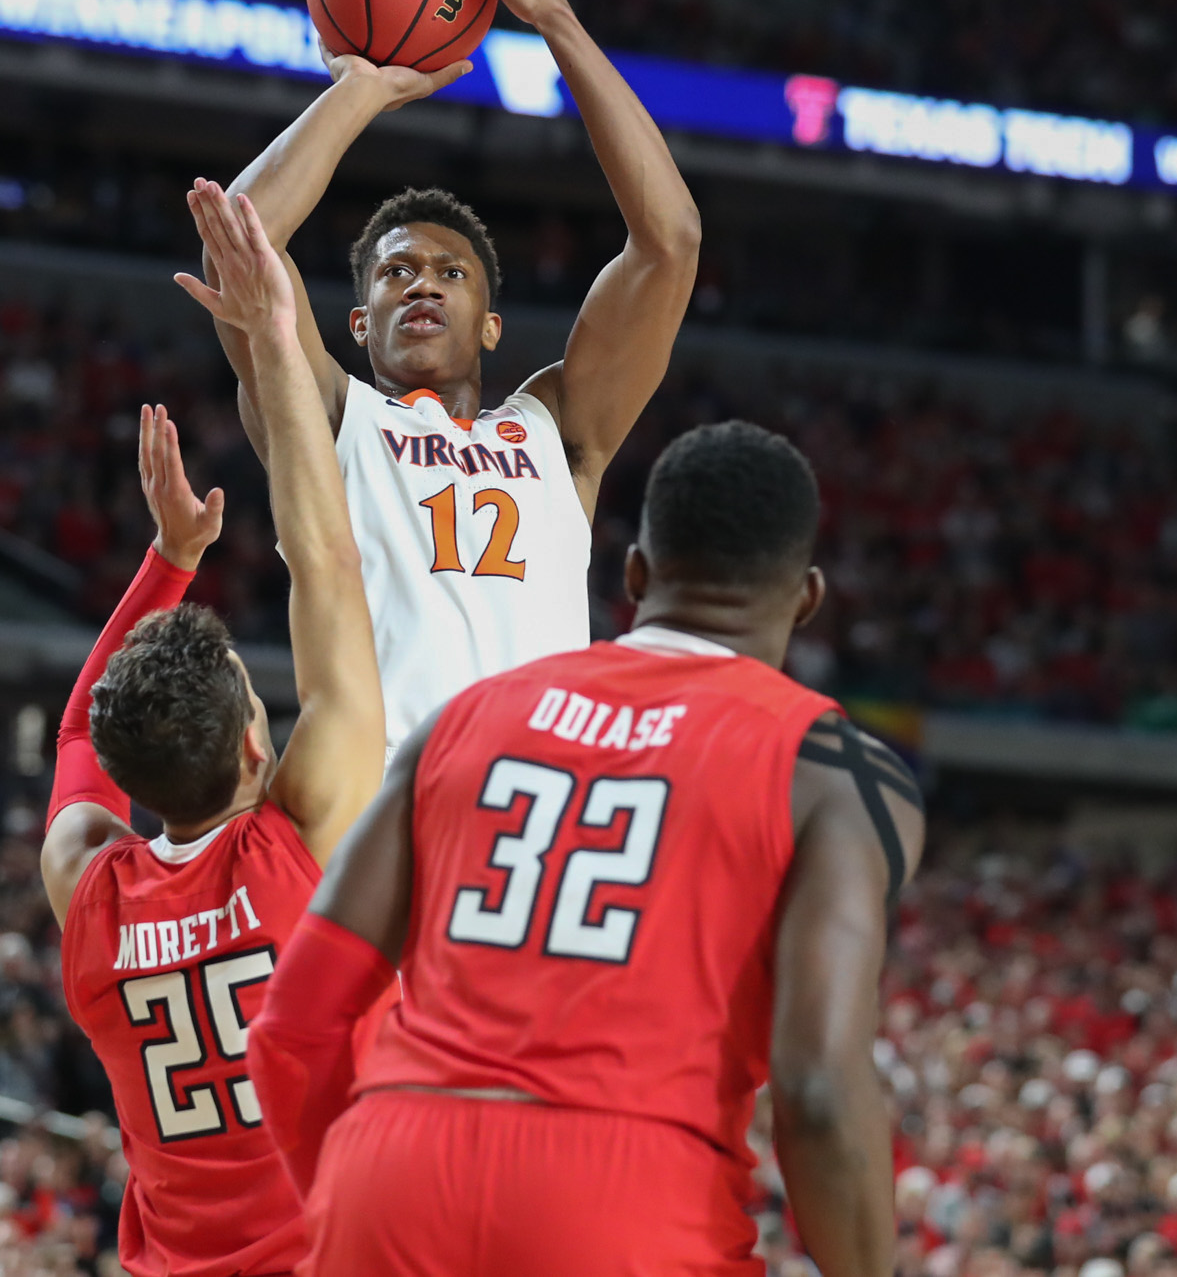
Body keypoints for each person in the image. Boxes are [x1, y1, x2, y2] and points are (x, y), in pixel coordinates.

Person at [247, 420, 925, 1277]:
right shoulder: (833, 773)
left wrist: (348, 1193)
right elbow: (820, 1091)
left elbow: (293, 1021)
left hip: (391, 1171)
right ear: (807, 597)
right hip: (626, 1198)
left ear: (635, 573)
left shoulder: (464, 719)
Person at [207, 0, 701, 748]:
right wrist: (363, 87)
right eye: (395, 273)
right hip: (379, 819)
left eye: (450, 272)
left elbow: (670, 243)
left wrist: (554, 16)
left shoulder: (560, 430)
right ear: (358, 326)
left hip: (525, 820)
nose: (422, 283)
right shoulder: (325, 415)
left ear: (491, 323)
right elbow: (236, 238)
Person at [38, 181, 386, 1277]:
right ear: (253, 746)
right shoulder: (294, 848)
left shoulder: (88, 889)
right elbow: (327, 566)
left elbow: (73, 737)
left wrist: (168, 562)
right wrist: (281, 350)